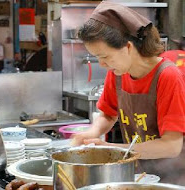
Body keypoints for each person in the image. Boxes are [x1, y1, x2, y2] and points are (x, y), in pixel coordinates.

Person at [71, 1, 185, 185]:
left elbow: (171, 146)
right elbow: (108, 114)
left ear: (129, 47)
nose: (102, 64)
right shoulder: (118, 72)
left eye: (105, 56)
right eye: (97, 57)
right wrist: (92, 132)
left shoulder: (167, 76)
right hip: (139, 174)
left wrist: (113, 149)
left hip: (173, 179)